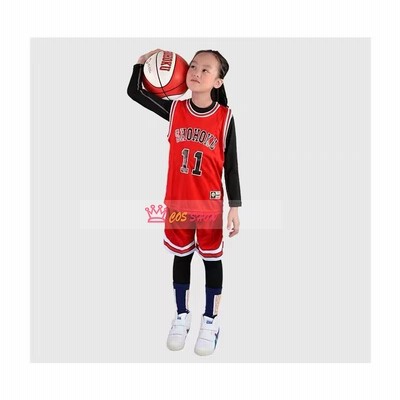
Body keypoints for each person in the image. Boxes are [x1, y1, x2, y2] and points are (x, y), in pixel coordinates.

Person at [127, 49, 242, 356]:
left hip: (209, 208)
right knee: (181, 257)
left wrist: (235, 206)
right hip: (178, 205)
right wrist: (141, 64)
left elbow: (231, 166)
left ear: (218, 82)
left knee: (211, 260)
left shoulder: (225, 117)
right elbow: (135, 92)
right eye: (193, 66)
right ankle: (181, 316)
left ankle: (210, 320)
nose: (196, 72)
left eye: (206, 70)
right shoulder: (175, 110)